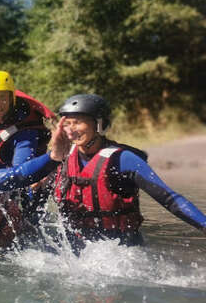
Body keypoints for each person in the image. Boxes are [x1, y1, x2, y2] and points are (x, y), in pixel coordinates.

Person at [50, 94, 206, 247]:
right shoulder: (60, 157)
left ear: (100, 124)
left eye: (77, 123)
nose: (70, 130)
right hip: (75, 252)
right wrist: (52, 158)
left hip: (122, 253)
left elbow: (170, 199)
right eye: (66, 124)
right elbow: (28, 181)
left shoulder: (123, 159)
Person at [0, 71, 56, 169]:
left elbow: (21, 173)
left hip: (22, 176)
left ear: (11, 100)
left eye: (2, 97)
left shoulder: (25, 129)